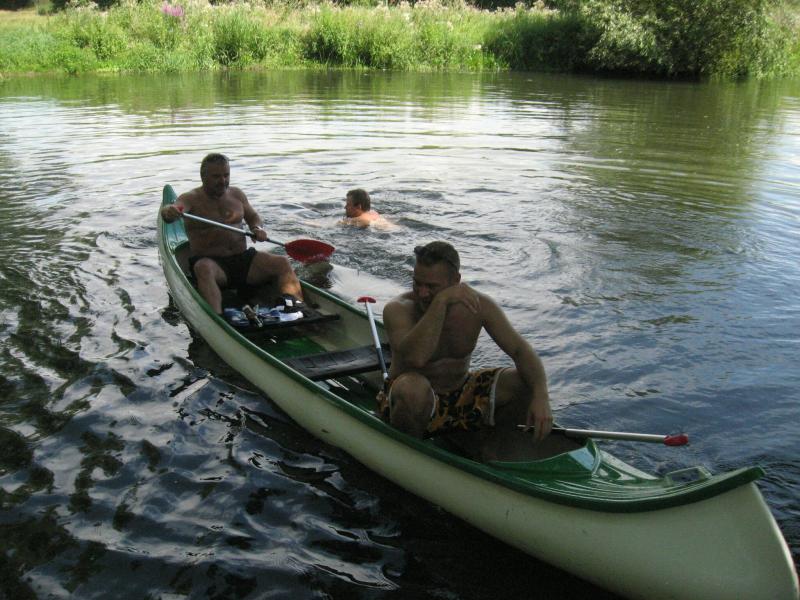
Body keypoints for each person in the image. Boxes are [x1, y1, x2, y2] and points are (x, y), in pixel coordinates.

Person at [380, 241, 553, 461]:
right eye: (417, 283)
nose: (422, 293)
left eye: (432, 287)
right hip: (411, 400)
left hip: (460, 393)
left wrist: (541, 396)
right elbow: (417, 358)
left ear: (455, 282)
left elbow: (520, 350)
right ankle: (410, 457)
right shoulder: (398, 309)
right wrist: (440, 301)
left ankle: (490, 451)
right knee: (411, 391)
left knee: (524, 381)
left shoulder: (478, 306)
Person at [160, 153, 303, 314]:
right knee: (203, 268)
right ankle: (217, 318)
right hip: (213, 265)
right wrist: (169, 211)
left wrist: (257, 228)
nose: (223, 181)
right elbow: (171, 212)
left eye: (226, 175)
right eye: (216, 176)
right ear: (203, 177)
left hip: (243, 261)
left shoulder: (237, 195)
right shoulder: (190, 198)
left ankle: (297, 309)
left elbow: (253, 217)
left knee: (282, 262)